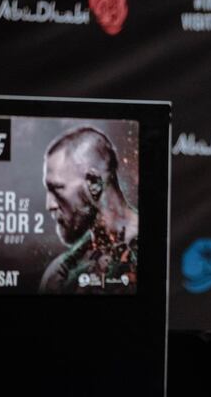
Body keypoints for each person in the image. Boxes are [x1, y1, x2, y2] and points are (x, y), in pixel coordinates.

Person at [38, 126, 138, 294]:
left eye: (57, 189)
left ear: (93, 183)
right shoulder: (59, 275)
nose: (49, 205)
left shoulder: (159, 250)